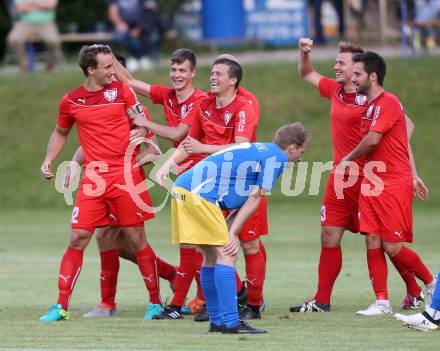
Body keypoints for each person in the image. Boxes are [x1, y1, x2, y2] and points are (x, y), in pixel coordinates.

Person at [290, 38, 426, 314]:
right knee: (329, 234)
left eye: (342, 62)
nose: (336, 66)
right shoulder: (334, 90)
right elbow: (306, 73)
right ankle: (321, 300)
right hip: (341, 177)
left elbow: (404, 130)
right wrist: (305, 53)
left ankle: (414, 288)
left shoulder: (375, 98)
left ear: (359, 69)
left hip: (371, 178)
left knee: (385, 240)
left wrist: (410, 172)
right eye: (336, 61)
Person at [38, 44, 165, 322]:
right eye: (108, 67)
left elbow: (142, 122)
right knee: (78, 237)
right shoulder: (71, 101)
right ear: (91, 69)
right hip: (93, 179)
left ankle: (155, 303)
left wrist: (141, 132)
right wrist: (50, 159)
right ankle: (61, 307)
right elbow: (61, 132)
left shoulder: (121, 91)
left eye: (113, 65)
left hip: (126, 175)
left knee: (135, 238)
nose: (113, 71)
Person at [138, 56, 265, 320]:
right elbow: (189, 144)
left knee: (249, 245)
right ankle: (218, 308)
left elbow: (242, 148)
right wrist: (166, 164)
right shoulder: (204, 105)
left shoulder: (244, 107)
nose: (213, 77)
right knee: (212, 249)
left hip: (244, 185)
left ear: (233, 80)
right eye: (212, 73)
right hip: (213, 188)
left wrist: (204, 149)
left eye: (219, 74)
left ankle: (253, 304)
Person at [169, 122, 311, 334]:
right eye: (301, 151)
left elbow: (244, 198)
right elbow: (255, 198)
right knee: (227, 255)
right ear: (291, 147)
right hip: (199, 196)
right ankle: (232, 322)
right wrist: (233, 233)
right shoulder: (278, 159)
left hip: (182, 189)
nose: (299, 157)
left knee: (210, 257)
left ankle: (217, 322)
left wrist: (230, 227)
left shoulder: (259, 149)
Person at [342, 51, 436, 316]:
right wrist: (415, 173)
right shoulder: (370, 105)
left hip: (392, 183)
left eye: (358, 73)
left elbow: (374, 141)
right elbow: (400, 140)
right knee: (371, 239)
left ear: (373, 76)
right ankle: (382, 301)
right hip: (372, 182)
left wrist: (347, 159)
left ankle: (432, 283)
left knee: (392, 245)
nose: (354, 77)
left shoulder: (388, 102)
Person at [7, 0, 61, 72]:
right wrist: (41, 5)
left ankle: (50, 67)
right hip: (24, 23)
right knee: (14, 39)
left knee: (54, 41)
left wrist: (31, 4)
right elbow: (20, 8)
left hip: (47, 23)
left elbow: (51, 5)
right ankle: (24, 68)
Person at [108, 0, 163, 71]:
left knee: (153, 36)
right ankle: (139, 58)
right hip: (125, 25)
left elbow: (150, 9)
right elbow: (112, 11)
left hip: (143, 24)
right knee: (120, 36)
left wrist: (140, 28)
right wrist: (119, 23)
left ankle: (151, 59)